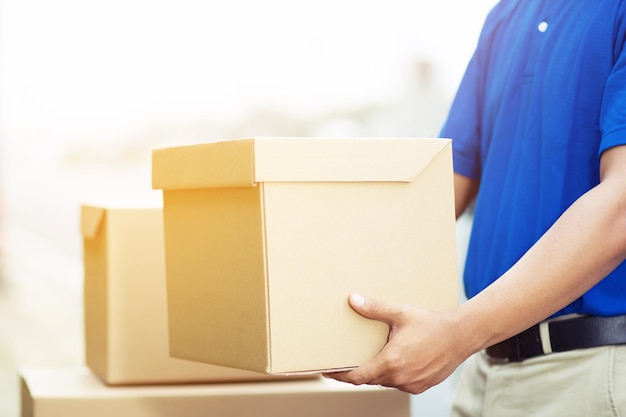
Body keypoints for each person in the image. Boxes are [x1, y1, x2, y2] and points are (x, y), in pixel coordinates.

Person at [325, 1, 626, 415]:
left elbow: (621, 207)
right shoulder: (506, 15)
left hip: (588, 369)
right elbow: (441, 186)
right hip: (485, 370)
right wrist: (311, 285)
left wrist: (458, 334)